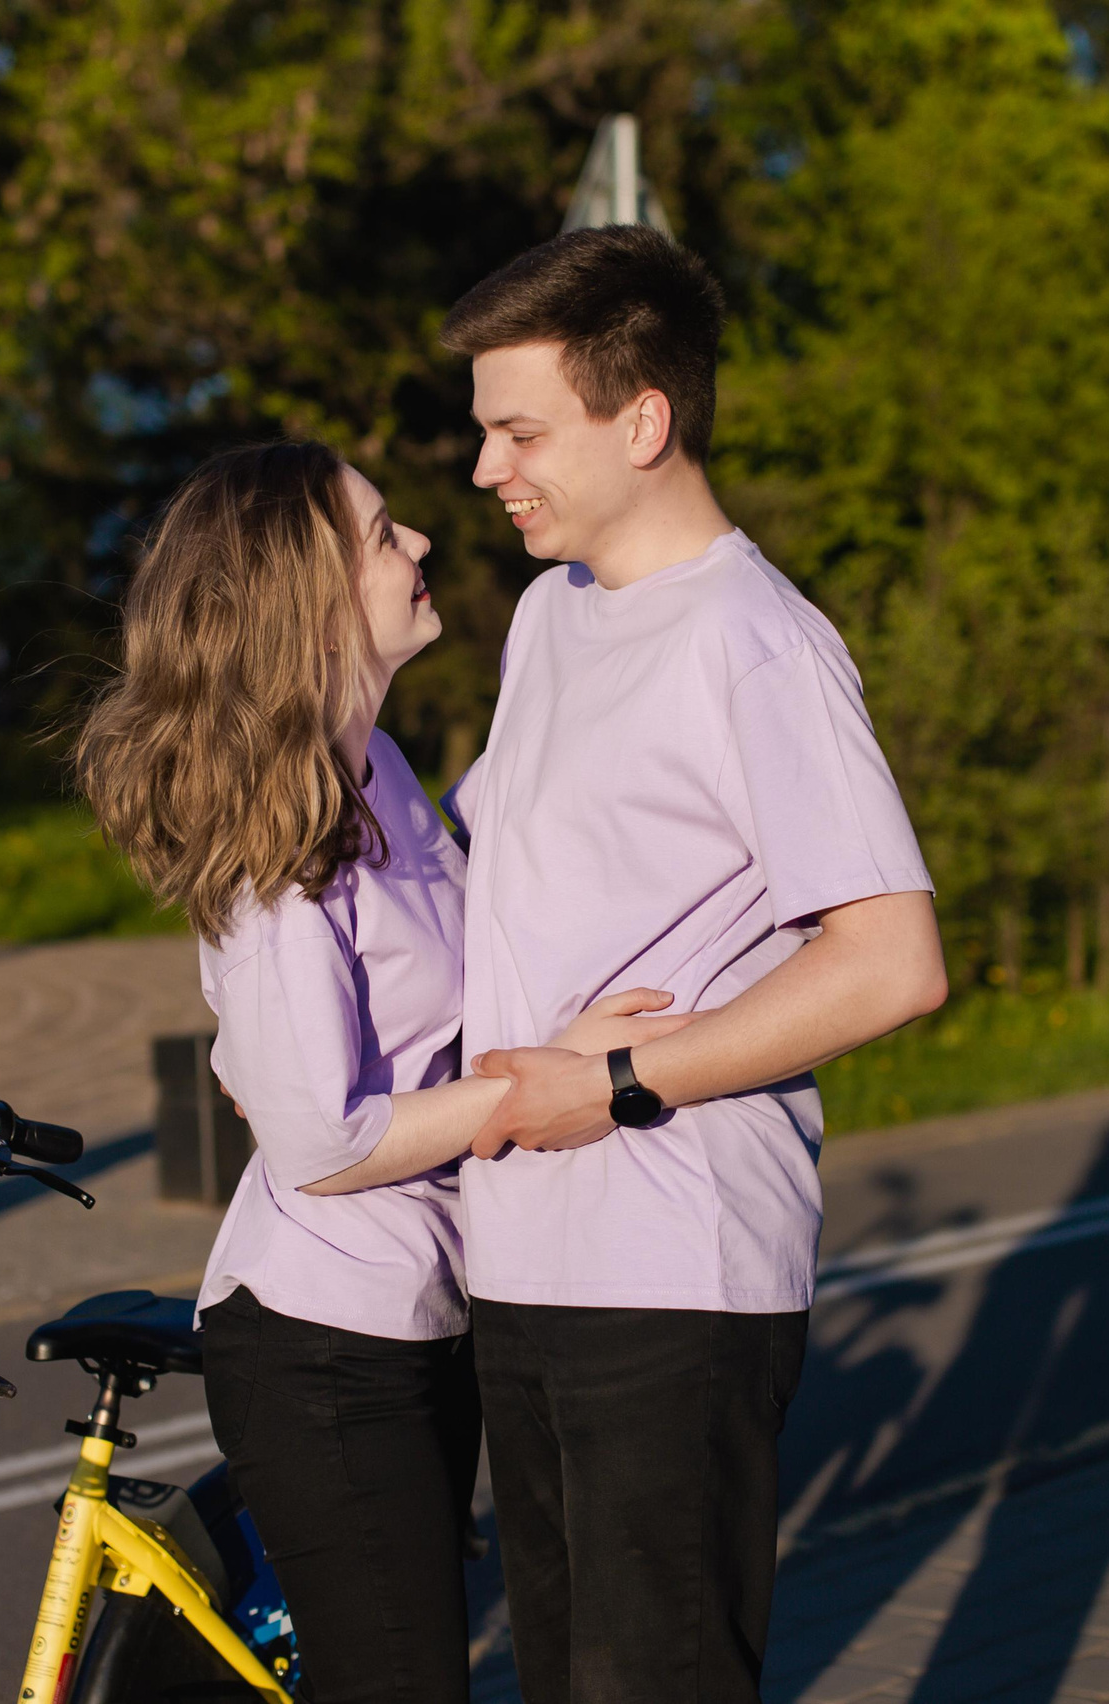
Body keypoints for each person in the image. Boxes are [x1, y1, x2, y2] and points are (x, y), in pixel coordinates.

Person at [73, 441, 686, 1704]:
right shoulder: (279, 832)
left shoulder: (382, 774)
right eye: (381, 533)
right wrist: (544, 1083)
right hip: (321, 1347)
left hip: (421, 1315)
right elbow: (322, 1141)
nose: (418, 544)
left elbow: (410, 1021)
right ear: (304, 596)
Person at [437, 226, 949, 1704]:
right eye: (485, 434)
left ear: (642, 419)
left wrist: (614, 1076)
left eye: (518, 431)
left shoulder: (756, 642)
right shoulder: (554, 616)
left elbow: (890, 962)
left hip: (674, 1271)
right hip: (525, 1253)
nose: (488, 470)